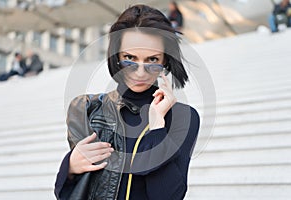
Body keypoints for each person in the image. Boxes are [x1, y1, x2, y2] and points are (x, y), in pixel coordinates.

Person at [55, 4, 200, 200]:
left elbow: (168, 195)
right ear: (116, 56)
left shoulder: (183, 117)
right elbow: (68, 193)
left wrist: (157, 126)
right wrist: (70, 167)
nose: (140, 73)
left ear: (165, 60)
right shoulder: (87, 110)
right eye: (130, 58)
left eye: (152, 59)